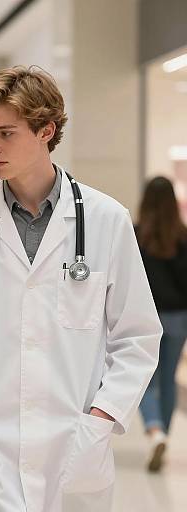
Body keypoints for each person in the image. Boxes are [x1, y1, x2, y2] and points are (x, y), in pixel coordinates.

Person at [0, 66, 162, 512]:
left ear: (46, 130)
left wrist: (100, 419)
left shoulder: (106, 220)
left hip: (75, 448)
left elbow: (138, 337)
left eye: (5, 133)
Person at [136, 176, 187, 472]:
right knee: (168, 380)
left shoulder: (137, 235)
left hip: (146, 317)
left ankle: (155, 430)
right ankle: (162, 435)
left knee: (145, 379)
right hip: (178, 317)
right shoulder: (182, 237)